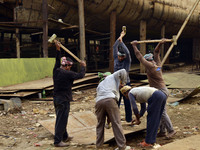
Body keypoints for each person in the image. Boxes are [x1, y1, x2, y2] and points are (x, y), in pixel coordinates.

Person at [131, 39, 176, 144]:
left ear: (148, 61)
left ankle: (171, 130)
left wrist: (134, 46)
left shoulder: (150, 67)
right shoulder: (157, 64)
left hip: (160, 91)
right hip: (163, 90)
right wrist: (160, 43)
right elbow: (156, 52)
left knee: (162, 111)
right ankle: (162, 131)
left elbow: (139, 57)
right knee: (159, 111)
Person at [53, 40, 86, 147]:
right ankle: (58, 141)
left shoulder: (56, 70)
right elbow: (81, 75)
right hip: (63, 99)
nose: (70, 68)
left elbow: (57, 61)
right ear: (67, 66)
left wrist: (58, 50)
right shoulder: (67, 74)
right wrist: (83, 66)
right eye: (70, 66)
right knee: (61, 120)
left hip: (57, 98)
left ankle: (64, 136)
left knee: (62, 118)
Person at [95, 69, 132, 150]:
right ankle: (122, 146)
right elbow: (123, 71)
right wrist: (124, 82)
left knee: (100, 124)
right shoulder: (112, 77)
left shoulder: (100, 84)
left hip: (98, 102)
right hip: (110, 99)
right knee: (116, 123)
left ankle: (99, 145)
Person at [113, 30, 132, 123]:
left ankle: (129, 119)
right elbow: (114, 47)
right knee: (116, 101)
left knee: (127, 101)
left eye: (122, 57)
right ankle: (116, 119)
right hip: (116, 83)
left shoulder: (127, 60)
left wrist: (122, 42)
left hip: (125, 83)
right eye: (119, 56)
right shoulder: (116, 58)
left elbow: (127, 53)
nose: (120, 58)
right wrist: (119, 38)